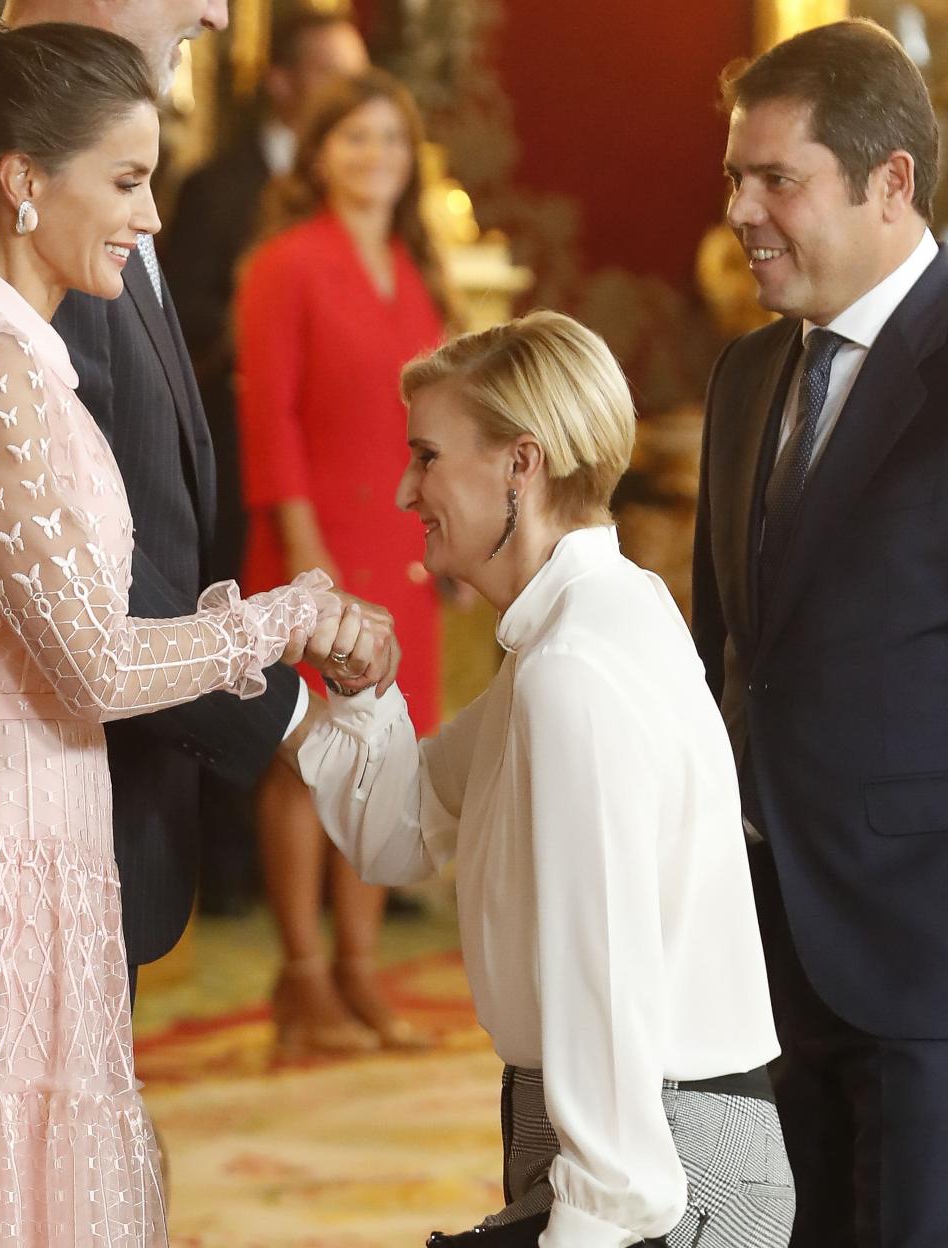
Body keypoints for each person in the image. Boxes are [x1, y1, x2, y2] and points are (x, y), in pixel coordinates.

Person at [0, 17, 354, 1244]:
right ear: (23, 180)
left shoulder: (11, 353)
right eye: (129, 181)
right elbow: (91, 660)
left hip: (38, 840)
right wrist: (290, 616)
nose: (152, 218)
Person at [287, 312, 792, 1247]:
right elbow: (399, 831)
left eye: (427, 457)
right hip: (625, 1146)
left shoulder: (574, 670)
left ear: (521, 463)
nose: (406, 490)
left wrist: (590, 1219)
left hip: (661, 1166)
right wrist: (348, 697)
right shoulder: (578, 632)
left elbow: (604, 978)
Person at [692, 19, 948, 1247]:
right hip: (762, 948)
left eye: (776, 179)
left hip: (926, 952)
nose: (742, 208)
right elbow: (725, 656)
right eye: (737, 177)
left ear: (890, 182)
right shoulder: (748, 374)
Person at [235, 67, 448, 1054]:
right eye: (355, 138)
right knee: (304, 763)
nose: (376, 158)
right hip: (311, 544)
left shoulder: (412, 268)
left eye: (392, 141)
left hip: (401, 546)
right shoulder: (285, 263)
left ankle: (361, 972)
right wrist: (309, 568)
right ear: (319, 153)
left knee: (385, 759)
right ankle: (303, 978)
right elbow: (267, 419)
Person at [160, 9, 368, 915]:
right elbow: (187, 325)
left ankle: (350, 883)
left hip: (343, 461)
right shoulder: (219, 188)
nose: (346, 100)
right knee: (250, 656)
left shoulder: (368, 218)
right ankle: (237, 863)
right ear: (282, 81)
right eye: (331, 76)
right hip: (240, 450)